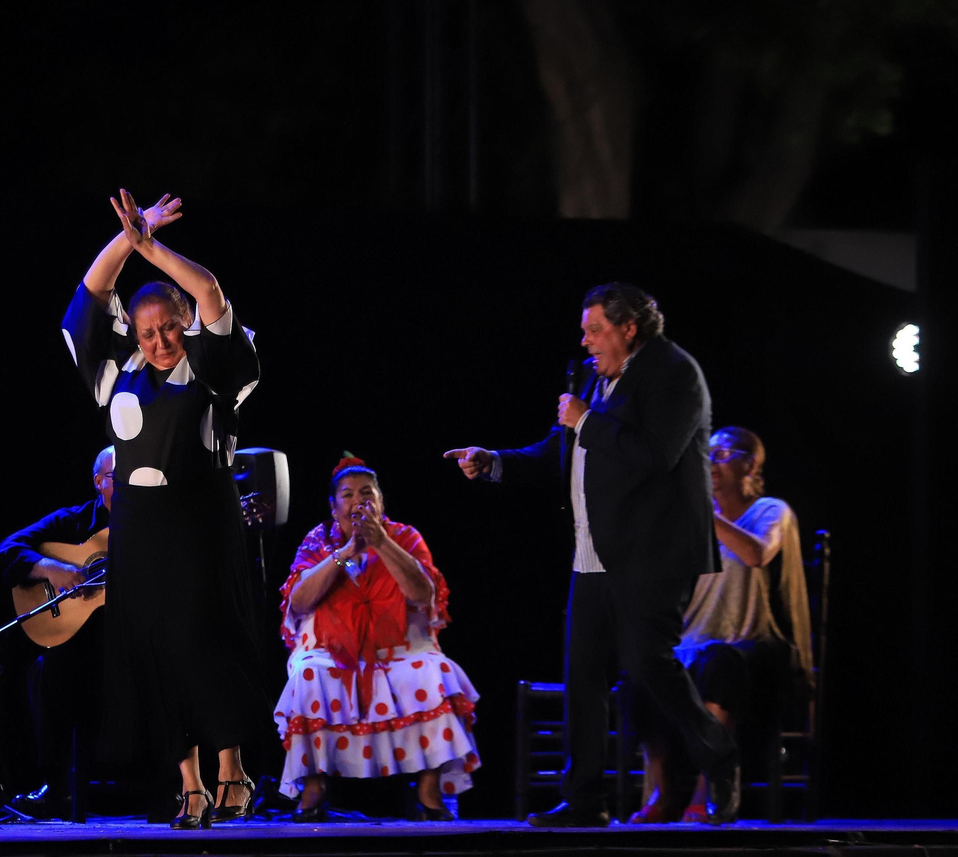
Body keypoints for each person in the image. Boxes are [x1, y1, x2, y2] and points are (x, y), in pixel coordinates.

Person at [444, 282, 739, 827]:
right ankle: (585, 801)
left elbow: (657, 453)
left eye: (595, 330)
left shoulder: (674, 372)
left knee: (647, 663)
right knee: (583, 675)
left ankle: (718, 756)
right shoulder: (592, 378)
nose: (585, 341)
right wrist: (496, 461)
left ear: (629, 328)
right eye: (584, 331)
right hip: (593, 552)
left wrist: (585, 419)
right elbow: (563, 447)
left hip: (652, 550)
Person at [61, 189, 265, 829]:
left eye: (169, 327)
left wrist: (152, 248)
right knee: (156, 651)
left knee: (205, 642)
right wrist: (128, 238)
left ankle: (232, 770)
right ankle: (191, 787)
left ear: (185, 322)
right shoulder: (117, 370)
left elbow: (209, 292)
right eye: (147, 331)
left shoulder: (210, 363)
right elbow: (90, 296)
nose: (158, 340)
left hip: (201, 522)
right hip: (140, 530)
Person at [275, 455, 481, 822]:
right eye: (348, 494)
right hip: (331, 649)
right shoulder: (319, 540)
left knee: (434, 670)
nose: (358, 501)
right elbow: (300, 601)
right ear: (334, 506)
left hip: (399, 646)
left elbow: (423, 593)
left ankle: (429, 789)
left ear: (381, 501)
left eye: (367, 493)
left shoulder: (405, 537)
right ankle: (314, 787)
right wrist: (346, 553)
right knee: (310, 674)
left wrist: (381, 543)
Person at [628, 426, 814, 823]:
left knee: (720, 663)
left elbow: (755, 554)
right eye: (707, 454)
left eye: (723, 454)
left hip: (756, 643)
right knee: (640, 670)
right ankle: (664, 792)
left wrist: (701, 514)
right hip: (693, 642)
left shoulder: (770, 511)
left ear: (751, 464)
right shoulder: (691, 520)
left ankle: (709, 789)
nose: (711, 462)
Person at [0, 445, 115, 821]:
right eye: (117, 477)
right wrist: (51, 568)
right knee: (46, 670)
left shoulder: (149, 525)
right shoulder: (72, 522)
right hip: (80, 643)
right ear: (98, 482)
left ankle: (172, 786)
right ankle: (56, 786)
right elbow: (6, 550)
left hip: (129, 640)